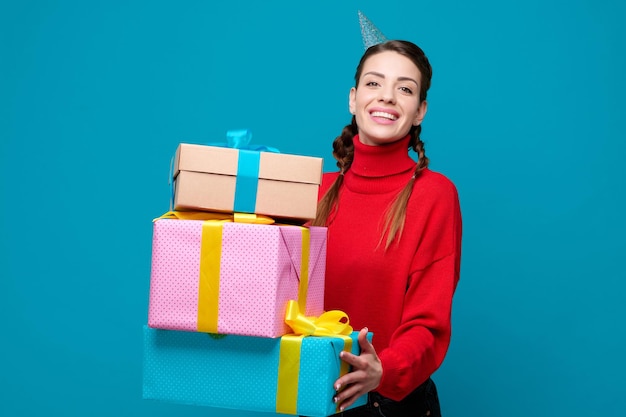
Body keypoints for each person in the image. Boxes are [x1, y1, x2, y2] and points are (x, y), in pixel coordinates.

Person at [311, 40, 463, 416]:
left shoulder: (434, 195)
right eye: (374, 83)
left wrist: (384, 370)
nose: (388, 97)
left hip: (390, 404)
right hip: (311, 393)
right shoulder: (313, 189)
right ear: (353, 98)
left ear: (419, 111)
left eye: (405, 89)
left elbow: (429, 323)